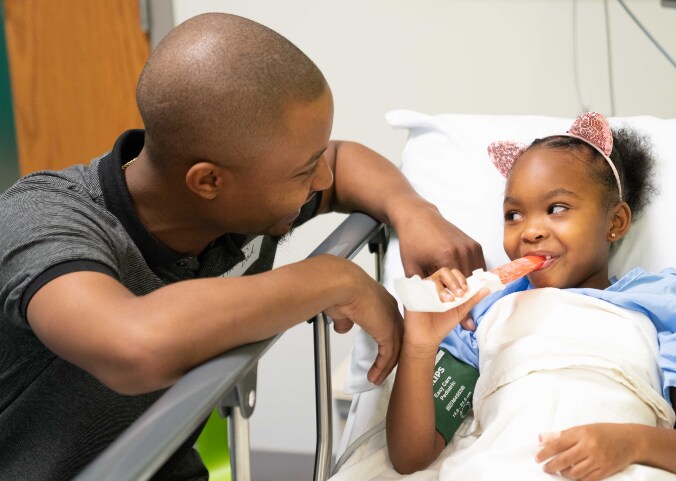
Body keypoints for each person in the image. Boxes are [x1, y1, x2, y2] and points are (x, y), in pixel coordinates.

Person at [0, 13, 484, 481]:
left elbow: (343, 159)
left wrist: (415, 212)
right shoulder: (43, 221)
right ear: (208, 180)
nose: (325, 179)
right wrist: (332, 278)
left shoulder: (242, 199)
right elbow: (133, 345)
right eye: (305, 169)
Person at [386, 113, 676, 481]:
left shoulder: (669, 304)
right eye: (514, 214)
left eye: (557, 208)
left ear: (615, 223)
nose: (531, 230)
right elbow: (411, 457)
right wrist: (420, 347)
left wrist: (630, 444)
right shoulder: (480, 312)